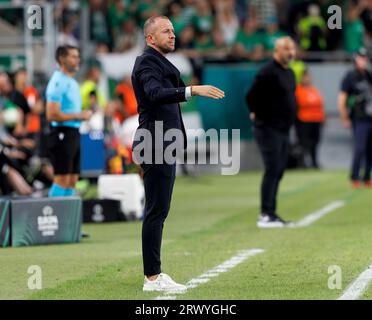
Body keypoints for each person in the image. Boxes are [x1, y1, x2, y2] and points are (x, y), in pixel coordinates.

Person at [131, 15, 224, 292]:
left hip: (161, 141)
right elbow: (155, 93)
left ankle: (154, 273)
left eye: (173, 30)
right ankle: (152, 277)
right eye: (165, 31)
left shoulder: (158, 62)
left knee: (159, 209)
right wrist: (192, 89)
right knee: (156, 210)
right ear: (150, 38)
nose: (173, 35)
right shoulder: (147, 62)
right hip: (155, 141)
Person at [246, 37, 297, 228]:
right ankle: (265, 214)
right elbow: (251, 96)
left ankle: (272, 213)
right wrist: (256, 114)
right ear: (276, 51)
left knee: (279, 170)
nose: (290, 52)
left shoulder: (290, 73)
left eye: (292, 48)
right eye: (286, 48)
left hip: (283, 130)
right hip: (268, 128)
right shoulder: (267, 71)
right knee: (272, 168)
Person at [46, 45, 92, 197]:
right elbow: (51, 115)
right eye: (73, 56)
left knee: (72, 179)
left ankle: (67, 219)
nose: (77, 59)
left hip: (73, 132)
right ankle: (52, 215)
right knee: (62, 179)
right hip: (61, 133)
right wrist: (79, 116)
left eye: (77, 56)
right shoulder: (57, 82)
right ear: (62, 59)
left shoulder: (71, 81)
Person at [338, 47, 372, 188]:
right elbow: (342, 98)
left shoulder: (369, 75)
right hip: (359, 117)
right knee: (359, 148)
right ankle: (355, 177)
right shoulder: (350, 76)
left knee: (370, 149)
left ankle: (367, 177)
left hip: (370, 116)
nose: (363, 60)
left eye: (365, 58)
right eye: (360, 58)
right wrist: (344, 117)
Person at [295, 69, 326, 168]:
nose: (308, 79)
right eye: (305, 77)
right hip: (304, 120)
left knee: (315, 142)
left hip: (316, 120)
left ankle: (314, 162)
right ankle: (302, 163)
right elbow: (299, 104)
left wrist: (323, 118)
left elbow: (320, 104)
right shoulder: (298, 90)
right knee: (304, 143)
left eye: (309, 76)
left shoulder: (314, 90)